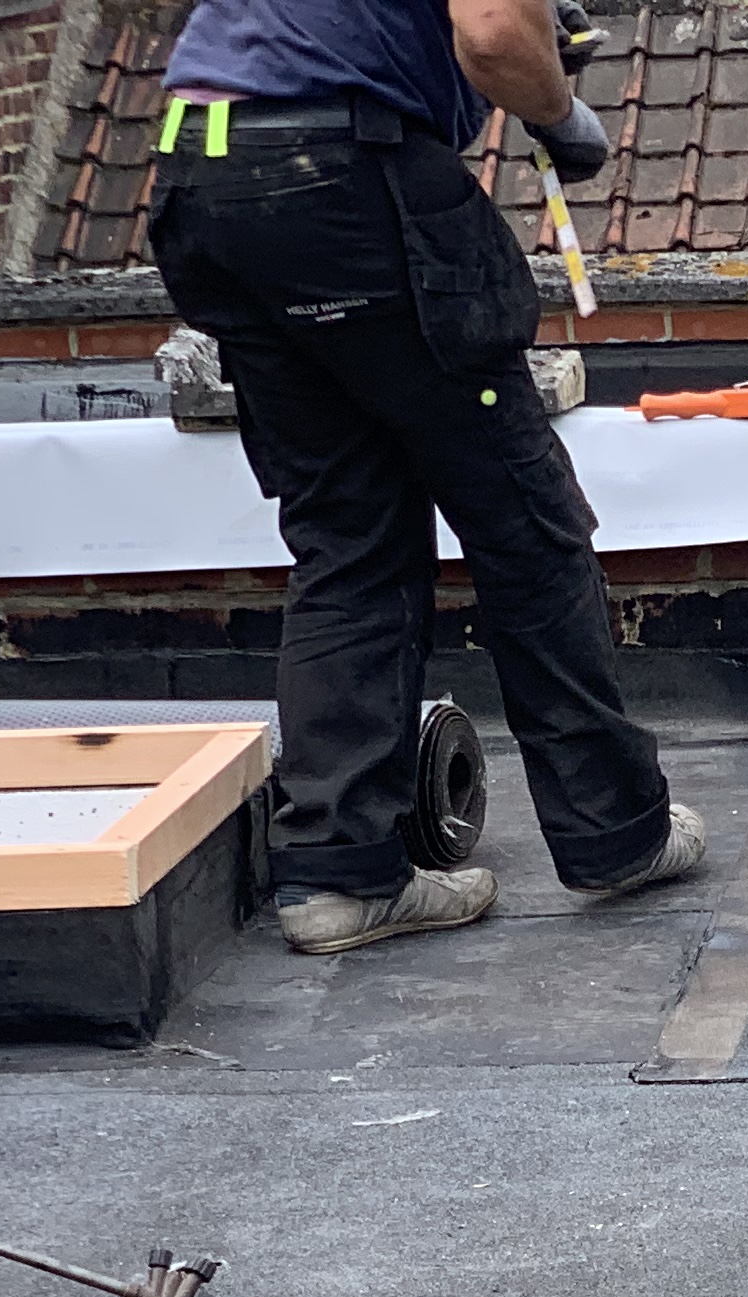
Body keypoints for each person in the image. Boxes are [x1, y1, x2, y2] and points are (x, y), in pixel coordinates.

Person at [145, 0, 702, 954]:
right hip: (337, 177)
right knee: (523, 520)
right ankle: (616, 831)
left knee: (347, 534)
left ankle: (338, 876)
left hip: (205, 175)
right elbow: (492, 33)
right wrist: (559, 112)